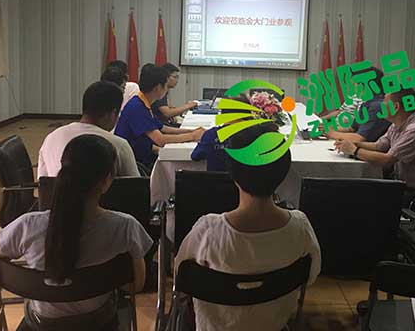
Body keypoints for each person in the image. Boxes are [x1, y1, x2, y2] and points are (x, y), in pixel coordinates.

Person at [0, 135, 153, 327]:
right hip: (99, 322)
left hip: (41, 324)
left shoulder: (27, 225)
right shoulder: (125, 227)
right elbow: (136, 284)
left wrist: (28, 286)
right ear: (106, 181)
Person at [176, 124, 321, 331]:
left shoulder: (208, 231)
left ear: (232, 173)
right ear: (283, 172)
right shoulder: (300, 227)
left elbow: (181, 276)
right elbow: (311, 275)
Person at [334, 88, 415, 199]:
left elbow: (386, 160)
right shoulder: (397, 124)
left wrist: (354, 150)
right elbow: (379, 146)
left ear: (396, 107)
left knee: (358, 194)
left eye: (384, 102)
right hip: (404, 184)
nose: (381, 106)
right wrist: (353, 144)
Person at [38, 81, 139, 178]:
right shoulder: (118, 145)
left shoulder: (51, 138)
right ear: (113, 113)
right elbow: (136, 185)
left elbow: (43, 183)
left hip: (57, 191)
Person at [115, 64, 204, 167]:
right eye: (165, 86)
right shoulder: (137, 107)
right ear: (158, 88)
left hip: (145, 153)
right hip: (135, 162)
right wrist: (192, 136)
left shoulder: (143, 102)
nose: (166, 89)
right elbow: (160, 140)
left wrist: (192, 131)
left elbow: (163, 128)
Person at [325, 67, 390, 142]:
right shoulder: (367, 102)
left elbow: (359, 138)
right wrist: (327, 128)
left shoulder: (377, 106)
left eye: (354, 85)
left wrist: (331, 133)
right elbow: (351, 128)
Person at [190, 96, 253, 171]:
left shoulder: (211, 135)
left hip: (216, 178)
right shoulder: (255, 134)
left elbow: (195, 156)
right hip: (246, 178)